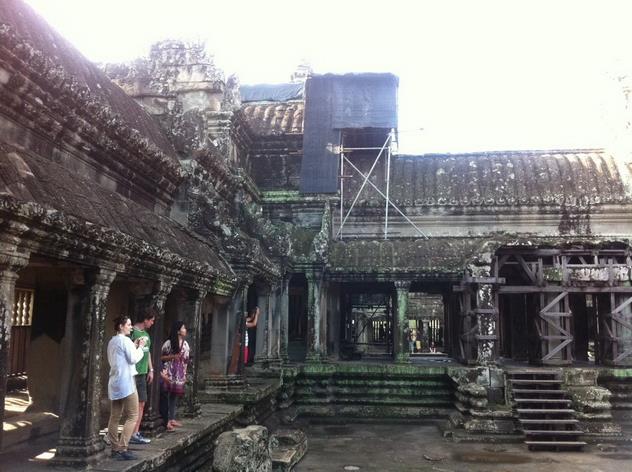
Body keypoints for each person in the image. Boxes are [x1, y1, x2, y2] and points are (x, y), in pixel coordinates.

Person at [107, 315, 146, 461]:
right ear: (121, 326)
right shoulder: (125, 341)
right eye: (128, 325)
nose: (130, 327)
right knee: (133, 415)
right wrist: (140, 347)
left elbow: (122, 357)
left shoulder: (112, 341)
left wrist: (133, 346)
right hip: (126, 382)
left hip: (115, 381)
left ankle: (114, 448)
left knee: (115, 416)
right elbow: (133, 359)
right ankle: (123, 448)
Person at [129, 310, 155, 444]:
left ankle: (135, 432)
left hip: (143, 372)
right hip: (134, 372)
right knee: (132, 405)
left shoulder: (146, 334)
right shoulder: (132, 332)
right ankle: (130, 433)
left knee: (141, 403)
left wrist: (151, 369)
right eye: (151, 320)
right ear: (145, 319)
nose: (152, 323)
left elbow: (147, 352)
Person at [161, 321, 190, 432]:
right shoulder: (168, 343)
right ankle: (166, 419)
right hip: (169, 371)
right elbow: (161, 357)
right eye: (183, 328)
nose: (185, 330)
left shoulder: (185, 344)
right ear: (178, 331)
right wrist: (173, 357)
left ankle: (172, 418)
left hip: (179, 373)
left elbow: (186, 361)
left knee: (174, 395)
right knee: (167, 395)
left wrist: (185, 374)